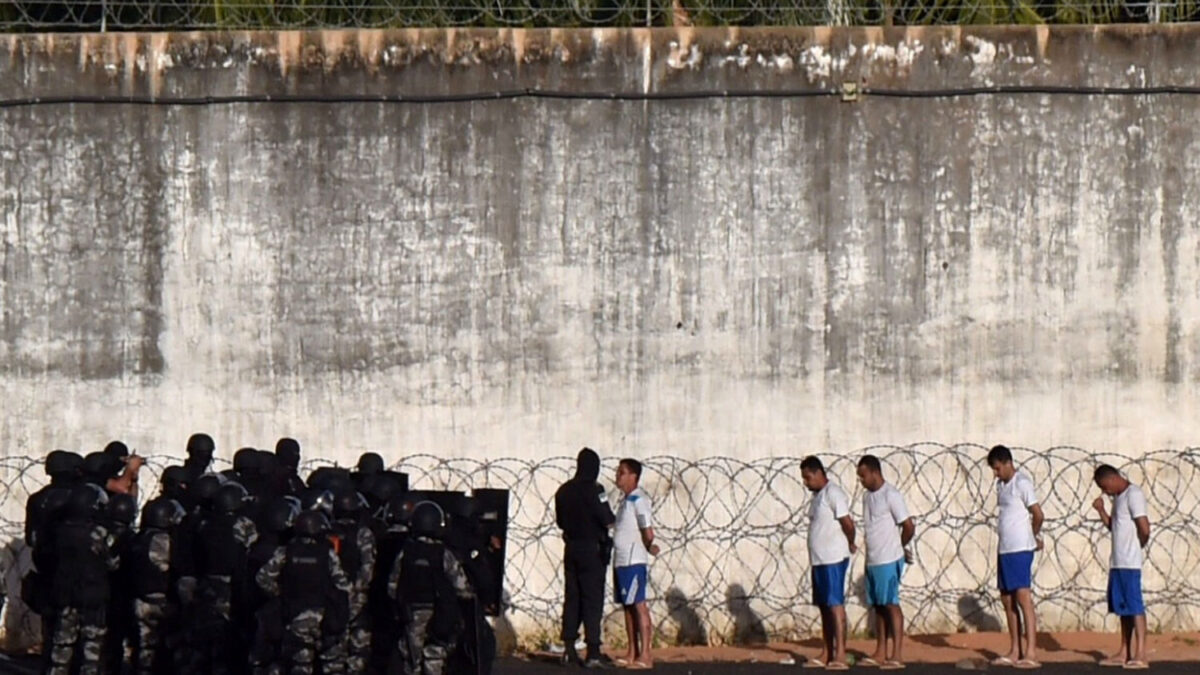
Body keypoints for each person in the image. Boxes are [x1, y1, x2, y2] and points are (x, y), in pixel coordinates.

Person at [256, 510, 352, 675]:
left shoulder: (286, 551)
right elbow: (343, 585)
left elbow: (263, 578)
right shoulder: (327, 553)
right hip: (325, 616)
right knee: (333, 665)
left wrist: (280, 594)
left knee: (300, 666)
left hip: (295, 615)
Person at [389, 501, 475, 675]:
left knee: (411, 661)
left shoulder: (406, 551)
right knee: (434, 658)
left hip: (411, 612)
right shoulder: (443, 553)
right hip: (439, 612)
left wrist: (399, 604)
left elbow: (392, 585)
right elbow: (462, 587)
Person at [47, 484, 120, 675]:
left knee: (61, 647)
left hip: (65, 593)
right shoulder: (98, 533)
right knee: (91, 652)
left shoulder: (60, 530)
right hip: (92, 596)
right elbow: (113, 563)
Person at [554, 447, 616, 668]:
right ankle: (593, 652)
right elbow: (607, 518)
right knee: (592, 600)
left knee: (572, 598)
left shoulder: (563, 491)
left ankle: (569, 649)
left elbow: (560, 522)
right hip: (592, 550)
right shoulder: (596, 490)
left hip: (571, 548)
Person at [987, 445, 1044, 669]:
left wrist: (1033, 536)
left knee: (1023, 598)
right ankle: (1015, 649)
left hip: (1020, 549)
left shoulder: (1022, 483)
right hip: (1005, 549)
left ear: (1008, 463)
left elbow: (1037, 513)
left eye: (998, 468)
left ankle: (1031, 651)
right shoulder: (1001, 486)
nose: (996, 473)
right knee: (1007, 598)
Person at [856, 455, 915, 670]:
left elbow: (908, 525)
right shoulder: (866, 497)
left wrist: (899, 547)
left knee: (891, 603)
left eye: (863, 476)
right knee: (878, 606)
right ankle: (880, 651)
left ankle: (897, 654)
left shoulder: (891, 495)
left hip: (889, 559)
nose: (861, 480)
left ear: (874, 472)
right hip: (872, 559)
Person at [1092, 465, 1152, 669]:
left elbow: (1144, 526)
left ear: (1113, 478)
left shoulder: (1133, 494)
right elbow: (1114, 527)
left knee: (1135, 606)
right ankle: (1124, 651)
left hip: (1129, 562)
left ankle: (1141, 653)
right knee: (1123, 608)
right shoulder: (1118, 498)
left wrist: (1139, 545)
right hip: (1117, 561)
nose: (1104, 491)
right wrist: (1101, 511)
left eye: (1104, 486)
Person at [801, 456, 855, 670]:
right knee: (824, 606)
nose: (806, 482)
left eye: (807, 478)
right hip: (819, 560)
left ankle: (840, 653)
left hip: (833, 559)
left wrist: (850, 542)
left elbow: (847, 523)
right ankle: (827, 652)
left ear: (817, 473)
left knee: (835, 606)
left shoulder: (833, 493)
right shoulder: (818, 496)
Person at [612, 459, 660, 670]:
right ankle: (632, 651)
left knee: (639, 605)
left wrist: (650, 545)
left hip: (633, 560)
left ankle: (646, 654)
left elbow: (646, 529)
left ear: (634, 476)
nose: (618, 476)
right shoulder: (625, 501)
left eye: (622, 472)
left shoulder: (639, 500)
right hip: (621, 561)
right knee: (628, 606)